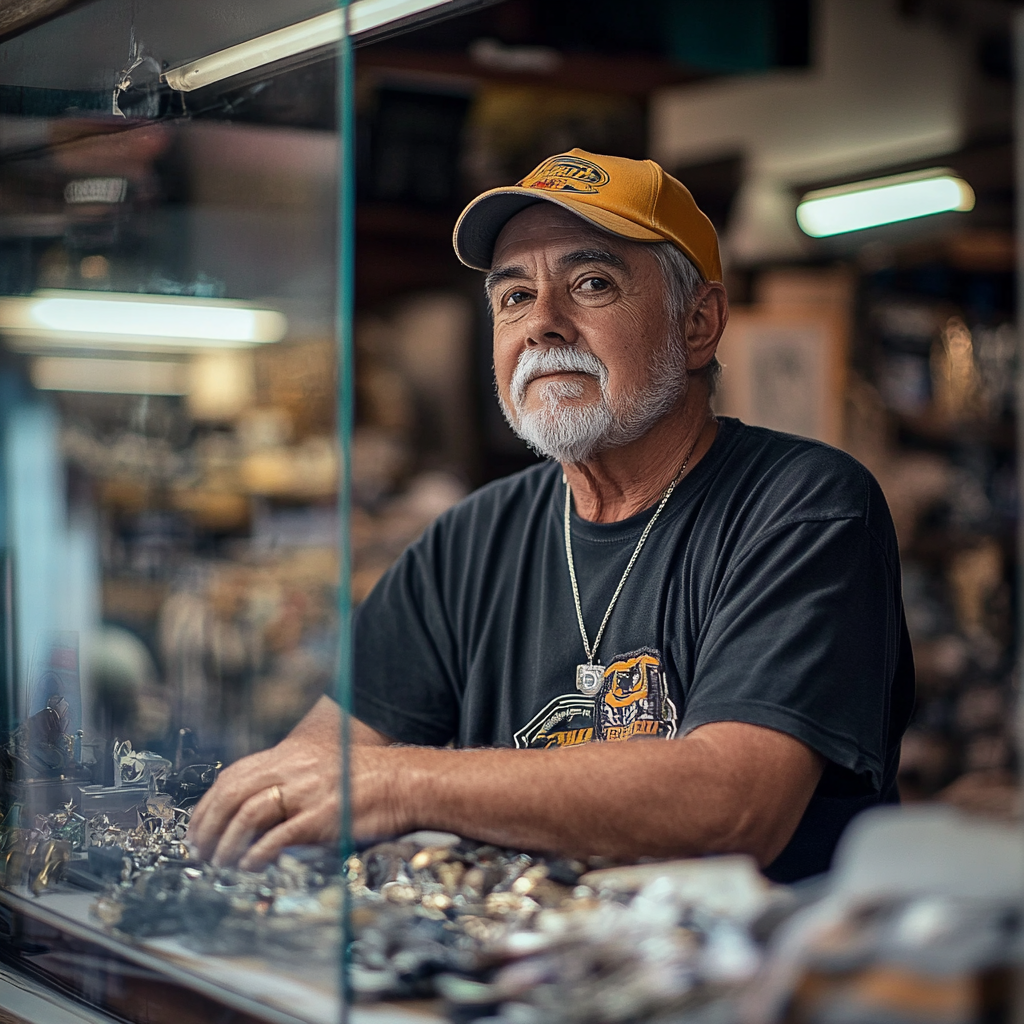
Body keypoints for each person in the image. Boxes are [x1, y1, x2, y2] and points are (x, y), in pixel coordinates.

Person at [188, 149, 914, 883]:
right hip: (518, 980)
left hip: (730, 987)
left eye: (591, 284)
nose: (542, 326)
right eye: (513, 298)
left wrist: (396, 783)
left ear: (699, 324)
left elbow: (731, 805)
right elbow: (319, 763)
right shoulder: (467, 543)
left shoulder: (805, 507)